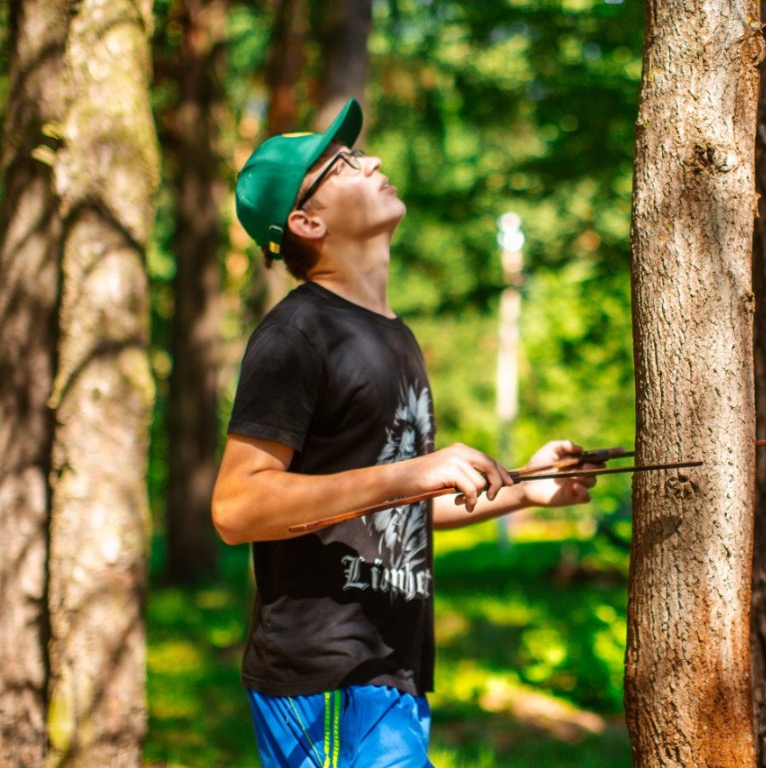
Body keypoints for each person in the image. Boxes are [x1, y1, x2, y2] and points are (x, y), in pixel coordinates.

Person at [212, 98, 596, 768]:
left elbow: (396, 511)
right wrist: (411, 472)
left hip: (394, 666)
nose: (375, 161)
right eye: (345, 164)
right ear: (307, 220)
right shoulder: (297, 334)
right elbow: (237, 507)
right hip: (322, 675)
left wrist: (528, 488)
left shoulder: (394, 338)